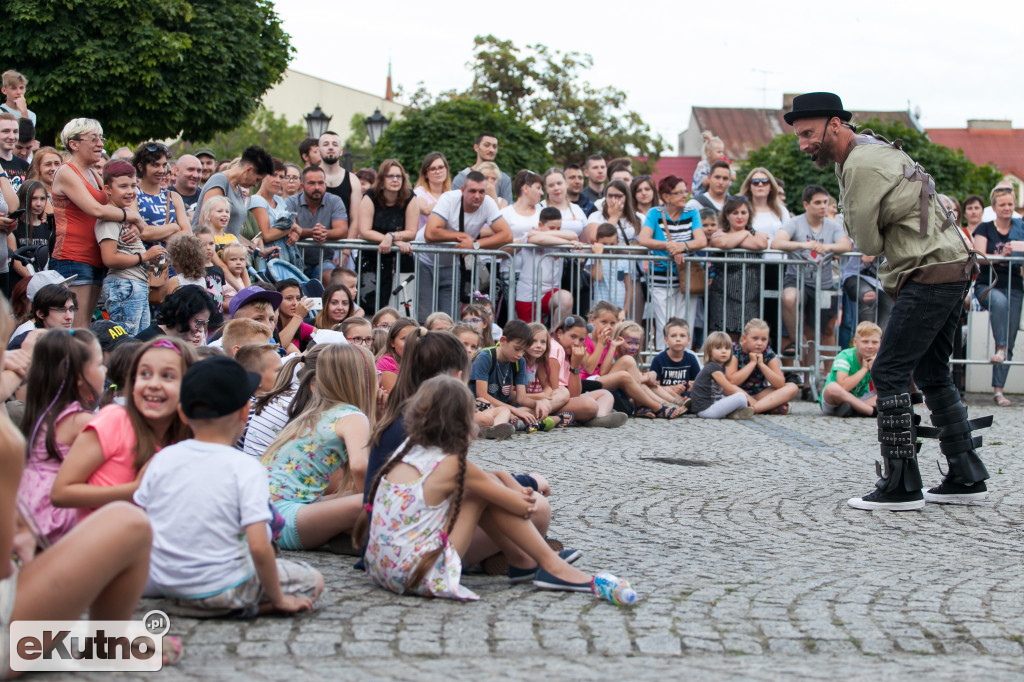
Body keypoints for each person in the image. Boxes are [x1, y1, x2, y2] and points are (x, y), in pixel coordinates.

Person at [786, 91, 989, 510]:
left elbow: (865, 241)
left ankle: (901, 484)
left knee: (890, 369)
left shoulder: (860, 163)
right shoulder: (872, 148)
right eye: (799, 136)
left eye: (808, 133)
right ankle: (966, 474)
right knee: (932, 372)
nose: (804, 144)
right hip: (952, 267)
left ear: (835, 125)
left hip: (929, 272)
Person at [359, 374, 634, 602]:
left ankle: (523, 562)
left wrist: (501, 480)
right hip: (418, 573)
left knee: (482, 487)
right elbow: (523, 507)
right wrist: (515, 490)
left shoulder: (406, 454)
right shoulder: (454, 465)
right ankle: (551, 567)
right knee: (480, 494)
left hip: (381, 568)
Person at [135, 356, 322, 616]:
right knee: (313, 580)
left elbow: (141, 518)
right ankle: (240, 605)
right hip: (222, 585)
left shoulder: (161, 459)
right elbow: (258, 545)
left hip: (168, 581)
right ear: (245, 411)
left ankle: (195, 602)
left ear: (182, 413)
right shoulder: (246, 468)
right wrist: (279, 599)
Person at [50, 337, 198, 514]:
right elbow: (60, 493)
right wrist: (133, 491)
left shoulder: (190, 438)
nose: (153, 384)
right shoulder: (115, 419)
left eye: (167, 376)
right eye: (145, 374)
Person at [261, 343, 376, 552]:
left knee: (352, 494)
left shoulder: (313, 412)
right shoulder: (352, 416)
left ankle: (344, 538)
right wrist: (369, 504)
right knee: (379, 500)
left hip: (263, 513)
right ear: (363, 379)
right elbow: (360, 467)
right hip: (284, 518)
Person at [51, 119, 147, 328]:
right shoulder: (66, 171)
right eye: (93, 138)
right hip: (73, 257)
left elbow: (120, 200)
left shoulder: (93, 173)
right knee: (76, 326)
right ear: (73, 144)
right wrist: (132, 218)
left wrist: (132, 219)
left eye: (101, 138)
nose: (100, 143)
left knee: (85, 324)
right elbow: (95, 209)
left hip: (95, 257)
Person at [17, 329, 105, 546]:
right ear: (79, 379)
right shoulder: (81, 422)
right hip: (55, 515)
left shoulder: (42, 410)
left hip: (26, 505)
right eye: (100, 364)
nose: (105, 370)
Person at [773, 184, 852, 363]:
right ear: (806, 205)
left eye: (825, 202)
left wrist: (827, 247)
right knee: (788, 298)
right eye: (818, 203)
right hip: (797, 279)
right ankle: (796, 341)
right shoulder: (795, 222)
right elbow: (776, 243)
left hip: (822, 284)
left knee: (815, 334)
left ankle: (810, 384)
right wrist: (805, 245)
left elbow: (846, 245)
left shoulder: (833, 226)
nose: (823, 206)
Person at [421, 172, 513, 320]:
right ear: (462, 190)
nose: (477, 196)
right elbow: (430, 233)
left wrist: (475, 244)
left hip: (452, 263)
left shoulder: (488, 203)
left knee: (450, 318)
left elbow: (507, 235)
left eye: (481, 192)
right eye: (472, 191)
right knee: (424, 316)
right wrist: (462, 237)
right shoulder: (449, 198)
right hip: (426, 259)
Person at [95, 161, 166, 335]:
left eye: (134, 185)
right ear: (108, 189)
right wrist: (144, 256)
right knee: (127, 340)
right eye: (123, 186)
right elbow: (109, 258)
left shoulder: (127, 216)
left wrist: (152, 259)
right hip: (123, 285)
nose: (130, 191)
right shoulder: (109, 218)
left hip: (135, 285)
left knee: (140, 339)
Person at [638, 175, 707, 348]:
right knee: (664, 324)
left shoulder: (692, 213)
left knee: (686, 324)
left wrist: (682, 246)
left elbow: (701, 241)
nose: (684, 195)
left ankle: (685, 365)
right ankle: (663, 365)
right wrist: (669, 246)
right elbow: (644, 239)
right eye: (679, 192)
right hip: (660, 278)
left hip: (687, 277)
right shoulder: (655, 213)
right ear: (666, 196)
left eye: (685, 191)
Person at [972, 184, 1024, 407]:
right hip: (988, 285)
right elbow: (979, 256)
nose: (1007, 208)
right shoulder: (985, 228)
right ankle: (1000, 348)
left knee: (1011, 336)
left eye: (1010, 204)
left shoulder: (1020, 228)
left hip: (1014, 285)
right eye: (1002, 204)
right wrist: (1002, 254)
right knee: (999, 303)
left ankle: (998, 390)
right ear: (993, 207)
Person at [358, 159, 418, 314]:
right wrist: (393, 240)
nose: (395, 180)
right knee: (370, 308)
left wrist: (392, 237)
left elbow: (412, 231)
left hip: (401, 260)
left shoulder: (410, 197)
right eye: (390, 176)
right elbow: (364, 230)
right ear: (382, 179)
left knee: (400, 308)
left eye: (399, 176)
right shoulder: (371, 195)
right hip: (373, 259)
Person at [708, 197, 769, 337]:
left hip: (751, 295)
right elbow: (723, 244)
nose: (740, 216)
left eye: (743, 212)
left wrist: (735, 239)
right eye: (735, 213)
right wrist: (745, 234)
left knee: (749, 335)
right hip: (724, 294)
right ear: (727, 215)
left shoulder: (757, 235)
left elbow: (760, 245)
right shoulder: (719, 235)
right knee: (725, 336)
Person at [191, 145, 274, 237]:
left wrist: (256, 250)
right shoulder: (219, 181)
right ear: (248, 170)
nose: (255, 185)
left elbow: (233, 234)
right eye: (257, 179)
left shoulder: (237, 188)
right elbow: (204, 223)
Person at [515, 207, 579, 324]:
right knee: (532, 335)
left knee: (566, 298)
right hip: (528, 293)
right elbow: (537, 238)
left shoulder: (552, 237)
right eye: (551, 228)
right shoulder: (531, 235)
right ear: (540, 225)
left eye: (559, 228)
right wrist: (567, 242)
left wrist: (562, 238)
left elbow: (573, 235)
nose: (557, 231)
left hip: (549, 293)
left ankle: (556, 336)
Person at [285, 166, 349, 280]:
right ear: (302, 186)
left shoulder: (335, 200)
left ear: (325, 185)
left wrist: (324, 233)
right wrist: (313, 233)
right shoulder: (291, 201)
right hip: (295, 260)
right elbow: (291, 229)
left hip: (324, 261)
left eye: (320, 183)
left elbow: (342, 231)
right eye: (311, 183)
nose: (317, 187)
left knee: (330, 277)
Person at [725, 318, 799, 415]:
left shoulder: (767, 352)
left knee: (792, 387)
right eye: (755, 338)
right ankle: (766, 407)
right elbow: (731, 381)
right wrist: (752, 363)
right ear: (744, 338)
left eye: (764, 339)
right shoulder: (735, 350)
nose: (759, 343)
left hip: (758, 393)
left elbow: (780, 383)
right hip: (735, 392)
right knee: (725, 387)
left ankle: (754, 408)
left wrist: (761, 364)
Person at [132, 141, 190, 249]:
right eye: (155, 165)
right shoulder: (132, 195)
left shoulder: (173, 197)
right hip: (142, 262)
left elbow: (187, 233)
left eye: (164, 165)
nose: (161, 170)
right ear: (140, 167)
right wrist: (174, 227)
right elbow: (143, 232)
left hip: (171, 263)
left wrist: (155, 234)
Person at [820, 321, 881, 417]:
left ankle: (853, 409)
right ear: (855, 342)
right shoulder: (845, 356)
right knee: (832, 387)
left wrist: (875, 369)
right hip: (835, 400)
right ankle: (870, 411)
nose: (870, 346)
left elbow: (881, 390)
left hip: (861, 399)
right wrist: (864, 369)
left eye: (875, 342)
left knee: (889, 393)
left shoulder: (878, 358)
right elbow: (843, 386)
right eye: (865, 342)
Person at [690, 332, 756, 419]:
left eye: (727, 348)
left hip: (713, 404)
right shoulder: (713, 367)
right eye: (718, 348)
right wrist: (746, 396)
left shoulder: (720, 367)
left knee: (737, 397)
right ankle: (733, 412)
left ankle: (734, 413)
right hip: (706, 409)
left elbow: (724, 391)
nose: (724, 351)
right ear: (710, 351)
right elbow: (728, 388)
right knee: (741, 397)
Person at [135, 284, 218, 346]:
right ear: (180, 312)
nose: (200, 329)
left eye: (203, 324)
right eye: (198, 323)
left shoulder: (178, 343)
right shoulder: (149, 343)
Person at [317, 131, 362, 244]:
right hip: (314, 243)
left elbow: (355, 219)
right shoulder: (308, 178)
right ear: (318, 151)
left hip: (344, 243)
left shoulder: (352, 180)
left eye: (335, 144)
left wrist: (347, 249)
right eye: (326, 144)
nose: (331, 147)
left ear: (341, 151)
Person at [451, 133, 513, 203]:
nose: (491, 150)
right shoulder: (462, 178)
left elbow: (507, 211)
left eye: (494, 146)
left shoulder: (504, 179)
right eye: (487, 145)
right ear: (476, 147)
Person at [650, 318, 702, 400]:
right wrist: (671, 388)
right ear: (666, 340)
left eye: (682, 336)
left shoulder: (691, 358)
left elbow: (698, 382)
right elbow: (654, 386)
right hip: (666, 395)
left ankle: (683, 403)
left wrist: (692, 385)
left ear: (688, 340)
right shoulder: (658, 360)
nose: (678, 339)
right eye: (673, 336)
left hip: (687, 395)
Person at [739, 168, 790, 245]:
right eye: (755, 182)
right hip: (751, 256)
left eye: (765, 182)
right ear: (749, 187)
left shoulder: (782, 211)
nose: (760, 184)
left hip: (778, 256)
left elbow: (790, 236)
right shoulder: (740, 210)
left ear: (771, 187)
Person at [375, 317, 419, 393]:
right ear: (392, 342)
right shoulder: (386, 363)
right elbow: (395, 400)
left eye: (415, 338)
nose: (411, 343)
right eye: (405, 339)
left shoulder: (422, 361)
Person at [275, 279, 315, 352]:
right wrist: (298, 316)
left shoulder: (300, 326)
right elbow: (278, 346)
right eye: (289, 298)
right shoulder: (271, 324)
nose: (295, 303)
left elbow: (323, 338)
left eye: (298, 298)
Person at [691, 131, 730, 197]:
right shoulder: (702, 166)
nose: (722, 154)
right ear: (709, 154)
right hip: (701, 196)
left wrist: (728, 173)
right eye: (719, 152)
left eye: (722, 152)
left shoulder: (721, 166)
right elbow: (704, 182)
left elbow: (733, 177)